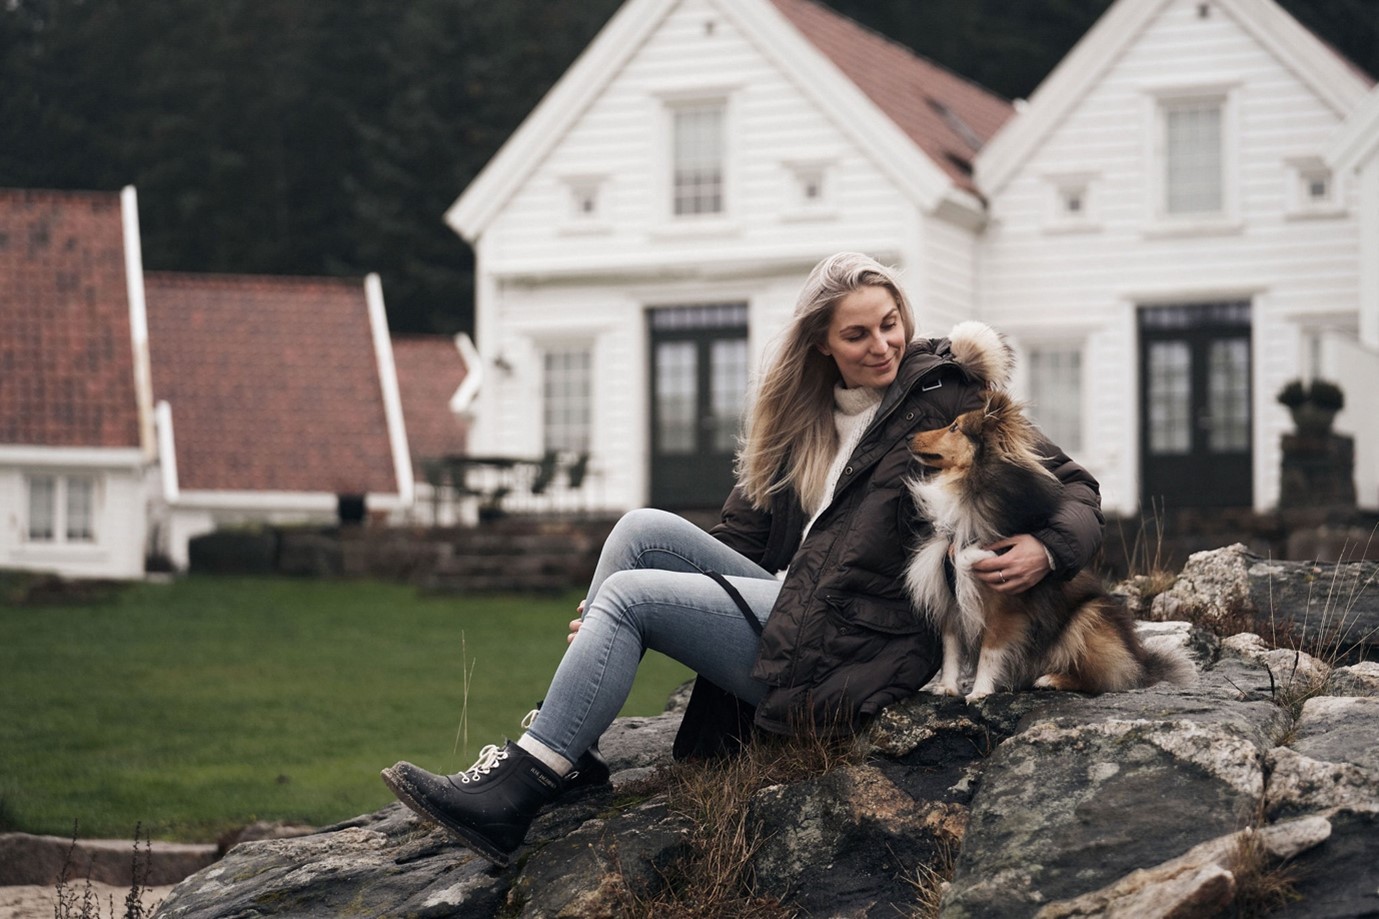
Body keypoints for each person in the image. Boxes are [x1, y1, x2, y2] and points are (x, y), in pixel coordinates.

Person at [381, 252, 1104, 866]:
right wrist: (641, 607)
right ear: (821, 343)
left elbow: (1074, 486)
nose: (881, 344)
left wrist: (1047, 546)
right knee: (640, 532)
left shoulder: (945, 394)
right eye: (856, 334)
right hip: (794, 611)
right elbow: (735, 546)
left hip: (860, 647)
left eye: (890, 324)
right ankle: (568, 745)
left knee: (631, 596)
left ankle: (524, 784)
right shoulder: (802, 421)